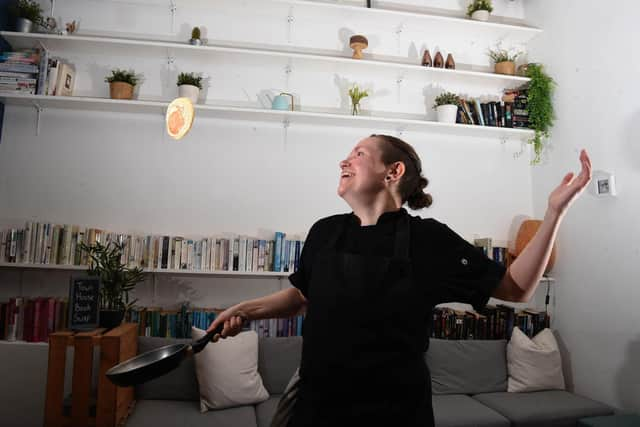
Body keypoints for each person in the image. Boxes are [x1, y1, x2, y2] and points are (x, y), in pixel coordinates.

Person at [207, 134, 592, 427]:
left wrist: (553, 213)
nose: (344, 159)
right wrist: (245, 310)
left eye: (358, 154)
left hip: (394, 410)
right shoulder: (325, 231)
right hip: (316, 404)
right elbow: (300, 297)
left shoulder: (429, 240)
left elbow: (515, 288)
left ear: (394, 172)